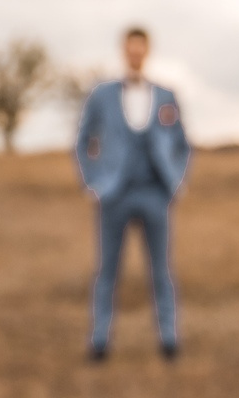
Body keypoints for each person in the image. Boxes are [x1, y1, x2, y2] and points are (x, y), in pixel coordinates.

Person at [73, 25, 192, 362]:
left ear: (147, 51)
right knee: (107, 271)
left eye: (141, 48)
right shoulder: (102, 95)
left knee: (161, 269)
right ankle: (99, 341)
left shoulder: (166, 96)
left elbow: (183, 144)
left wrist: (177, 180)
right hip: (114, 194)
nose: (135, 53)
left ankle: (169, 339)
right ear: (123, 50)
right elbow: (83, 142)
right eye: (130, 48)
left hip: (155, 192)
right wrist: (91, 183)